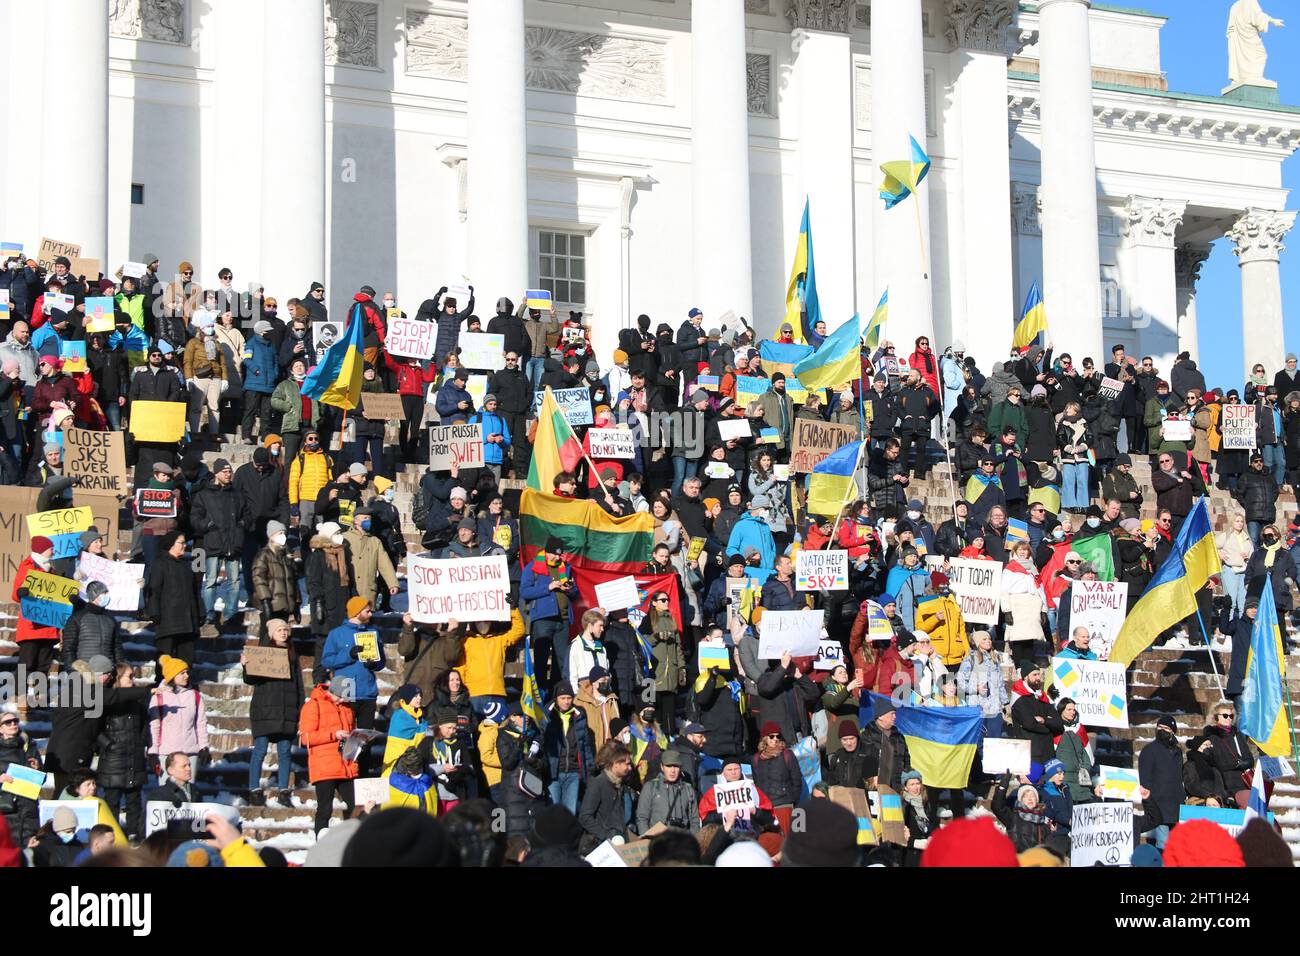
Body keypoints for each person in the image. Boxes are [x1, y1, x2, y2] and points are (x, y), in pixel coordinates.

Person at [241, 618, 303, 808]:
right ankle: (254, 789)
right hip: (265, 709)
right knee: (260, 750)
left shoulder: (293, 655)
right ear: (271, 634)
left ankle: (283, 790)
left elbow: (299, 685)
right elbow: (251, 679)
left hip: (287, 709)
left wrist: (300, 709)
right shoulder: (262, 654)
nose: (283, 633)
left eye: (285, 630)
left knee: (285, 752)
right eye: (279, 630)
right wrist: (245, 665)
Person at [320, 597, 385, 772]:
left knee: (365, 739)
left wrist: (375, 664)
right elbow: (326, 661)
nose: (370, 613)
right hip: (344, 692)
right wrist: (348, 655)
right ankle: (343, 773)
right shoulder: (337, 634)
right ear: (357, 612)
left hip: (367, 692)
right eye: (367, 610)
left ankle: (363, 774)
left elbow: (381, 661)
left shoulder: (373, 632)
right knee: (345, 736)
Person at [299, 679, 358, 836]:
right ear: (334, 691)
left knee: (357, 804)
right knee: (325, 808)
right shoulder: (313, 705)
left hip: (345, 764)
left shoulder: (346, 707)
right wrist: (334, 734)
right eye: (340, 697)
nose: (342, 701)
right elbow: (306, 738)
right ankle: (321, 844)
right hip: (324, 765)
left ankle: (355, 840)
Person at [149, 655, 209, 782]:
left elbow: (201, 723)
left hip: (189, 753)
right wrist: (153, 752)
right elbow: (154, 726)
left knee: (188, 794)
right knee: (167, 795)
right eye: (182, 673)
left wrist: (204, 747)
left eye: (187, 672)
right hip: (167, 754)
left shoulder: (195, 696)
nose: (186, 676)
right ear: (172, 676)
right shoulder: (159, 697)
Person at [542, 680, 593, 814]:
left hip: (574, 772)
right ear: (556, 699)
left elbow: (585, 746)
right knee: (553, 812)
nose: (566, 701)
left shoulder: (579, 715)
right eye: (562, 698)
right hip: (554, 773)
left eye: (569, 698)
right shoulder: (547, 715)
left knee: (570, 813)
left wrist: (589, 768)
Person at [1138, 714, 1185, 848]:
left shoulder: (1177, 751)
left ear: (1173, 731)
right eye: (1159, 727)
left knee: (1175, 846)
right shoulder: (1149, 750)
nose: (1162, 730)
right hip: (1158, 805)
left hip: (1176, 805)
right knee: (1163, 845)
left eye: (1166, 728)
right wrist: (1149, 802)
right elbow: (1144, 779)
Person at [578, 741, 633, 847]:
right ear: (616, 764)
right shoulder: (598, 783)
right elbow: (585, 817)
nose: (630, 768)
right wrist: (607, 836)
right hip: (602, 844)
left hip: (620, 840)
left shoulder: (620, 784)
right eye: (627, 764)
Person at [0, 707, 42, 846]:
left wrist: (38, 767)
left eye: (15, 721)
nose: (13, 724)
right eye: (8, 722)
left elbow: (41, 778)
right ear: (0, 729)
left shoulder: (29, 745)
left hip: (28, 806)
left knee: (30, 849)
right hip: (6, 808)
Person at [1010, 662, 1063, 764]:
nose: (1038, 678)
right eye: (1034, 675)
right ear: (1025, 677)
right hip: (1030, 753)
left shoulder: (1043, 697)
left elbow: (1059, 725)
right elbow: (1029, 724)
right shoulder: (1019, 698)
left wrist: (1044, 720)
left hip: (1048, 753)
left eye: (1039, 674)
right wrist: (1049, 728)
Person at [636, 749, 699, 833]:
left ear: (680, 768)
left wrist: (690, 841)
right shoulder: (650, 787)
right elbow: (642, 818)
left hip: (682, 841)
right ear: (662, 767)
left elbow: (694, 821)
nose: (672, 770)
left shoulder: (688, 789)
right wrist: (647, 841)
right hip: (658, 841)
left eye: (676, 766)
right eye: (668, 766)